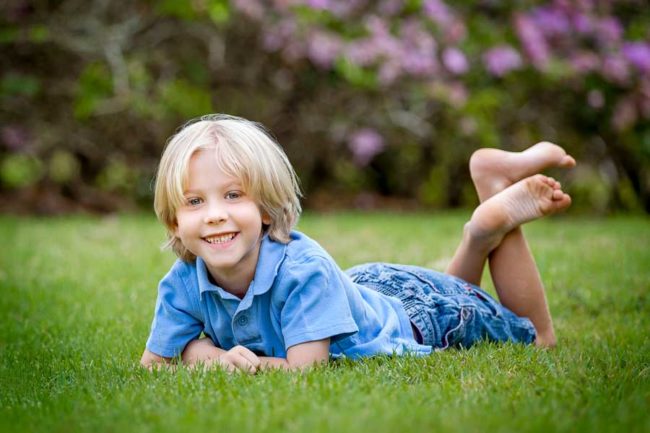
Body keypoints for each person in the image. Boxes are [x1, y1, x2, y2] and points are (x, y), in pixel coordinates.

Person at [140, 114, 575, 373]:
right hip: (362, 291)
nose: (214, 213)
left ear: (267, 209)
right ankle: (486, 207)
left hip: (417, 313)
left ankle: (487, 222)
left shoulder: (302, 271)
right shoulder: (182, 281)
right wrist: (212, 357)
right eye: (195, 201)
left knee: (537, 340)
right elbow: (155, 362)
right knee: (456, 291)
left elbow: (303, 372)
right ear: (175, 222)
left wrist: (223, 360)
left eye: (233, 195)